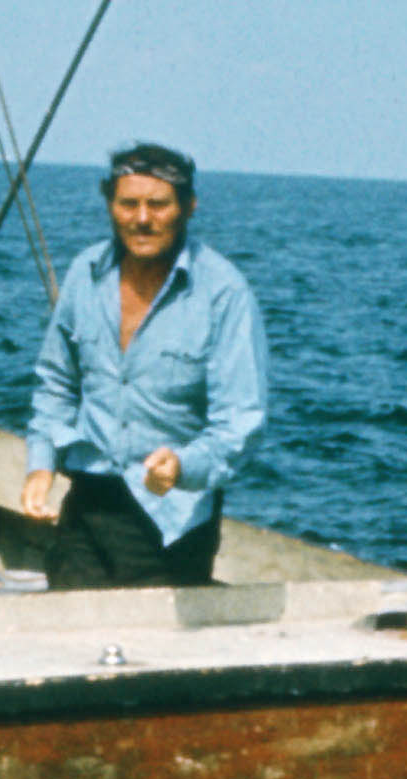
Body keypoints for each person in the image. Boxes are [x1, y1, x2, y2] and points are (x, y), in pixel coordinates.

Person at [20, 142, 267, 590]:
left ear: (188, 207)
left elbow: (240, 424)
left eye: (158, 204)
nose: (142, 219)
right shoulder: (85, 273)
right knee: (72, 642)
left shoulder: (224, 293)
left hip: (171, 518)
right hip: (88, 506)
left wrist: (183, 464)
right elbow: (56, 383)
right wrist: (41, 463)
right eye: (128, 203)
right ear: (110, 205)